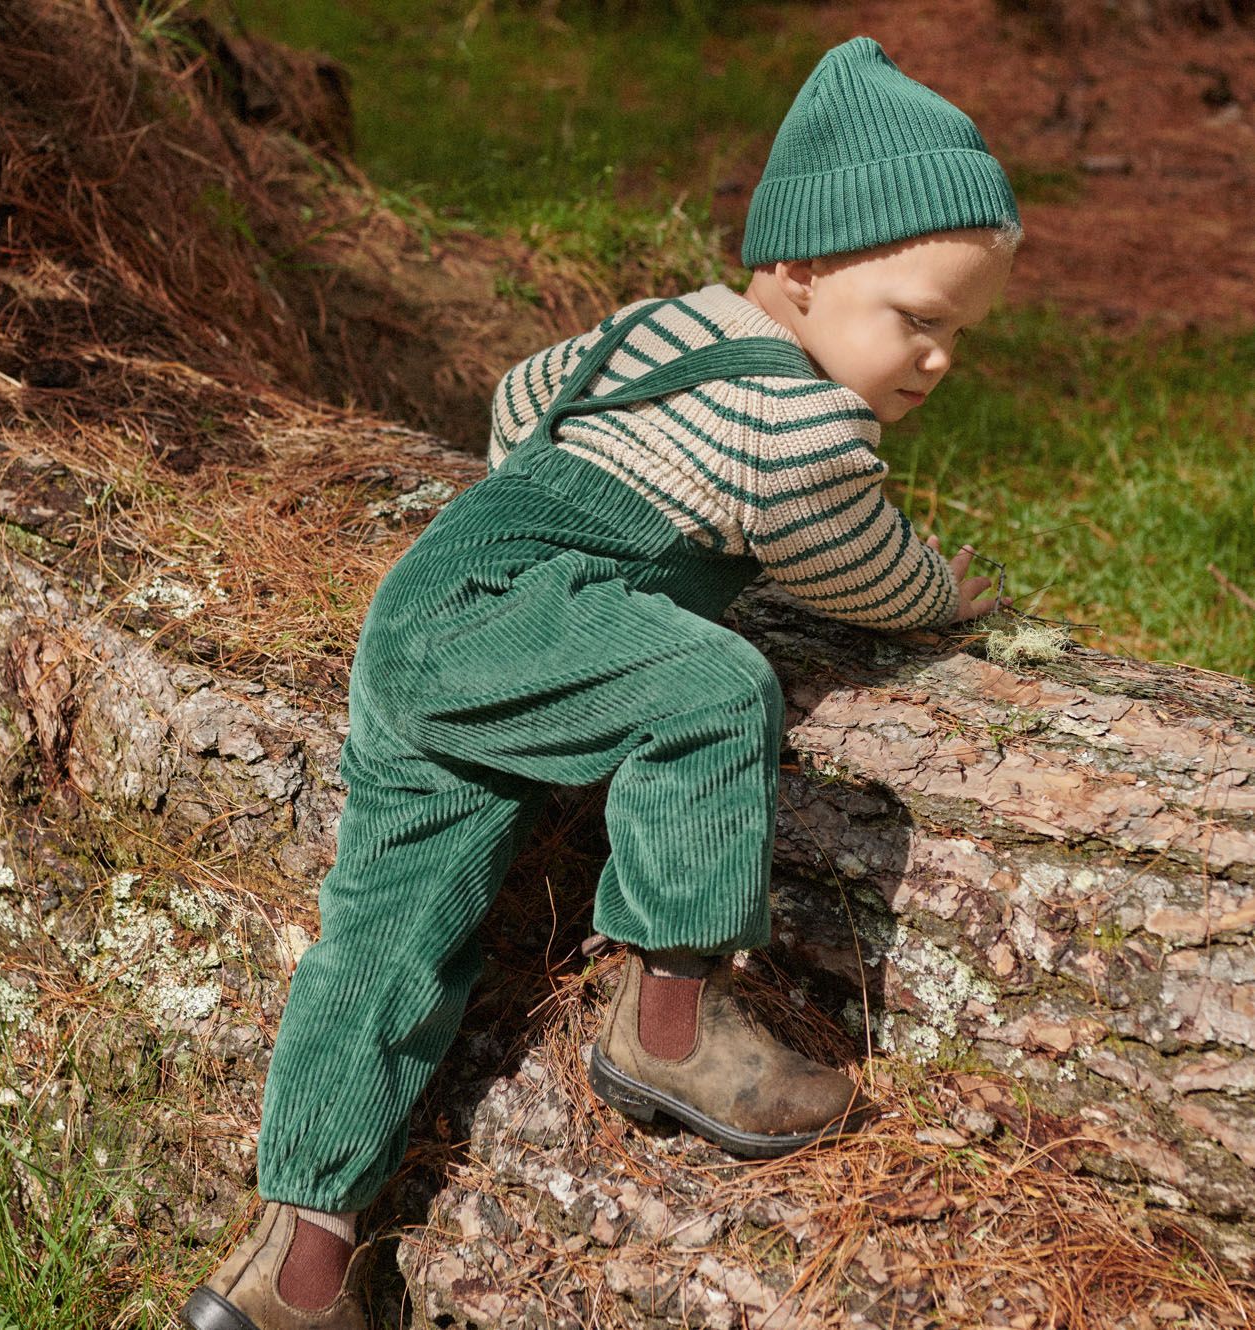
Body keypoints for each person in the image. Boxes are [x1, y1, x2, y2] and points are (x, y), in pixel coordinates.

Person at [181, 35, 1020, 1330]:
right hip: (520, 614)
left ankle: (298, 1261)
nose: (936, 362)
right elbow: (854, 560)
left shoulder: (660, 326)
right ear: (797, 270)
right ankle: (670, 1024)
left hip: (426, 616)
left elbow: (523, 396)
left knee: (385, 946)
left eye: (955, 334)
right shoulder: (793, 419)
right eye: (916, 320)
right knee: (710, 686)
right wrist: (944, 600)